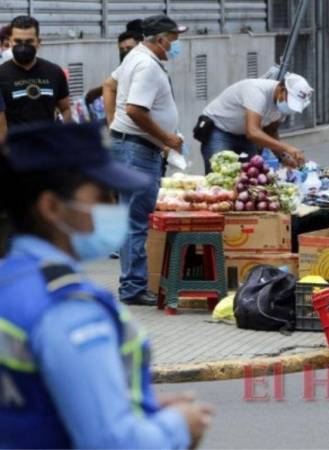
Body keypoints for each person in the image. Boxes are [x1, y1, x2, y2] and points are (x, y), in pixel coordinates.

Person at [0, 121, 213, 449]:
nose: (113, 206)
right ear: (51, 207)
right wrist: (178, 426)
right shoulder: (69, 309)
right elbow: (113, 442)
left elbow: (39, 402)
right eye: (101, 195)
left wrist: (142, 412)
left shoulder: (10, 281)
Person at [105, 15, 186, 306]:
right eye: (174, 41)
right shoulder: (146, 65)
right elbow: (137, 110)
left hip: (131, 148)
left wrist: (114, 122)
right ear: (160, 40)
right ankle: (133, 288)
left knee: (131, 219)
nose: (176, 46)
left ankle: (132, 285)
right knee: (135, 222)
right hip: (137, 152)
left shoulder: (135, 57)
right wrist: (167, 138)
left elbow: (108, 84)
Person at [200, 73, 312, 172]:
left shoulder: (282, 106)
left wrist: (283, 157)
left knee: (250, 175)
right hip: (219, 129)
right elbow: (252, 132)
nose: (289, 107)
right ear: (281, 89)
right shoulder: (256, 91)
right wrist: (287, 148)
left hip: (244, 135)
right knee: (220, 174)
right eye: (290, 101)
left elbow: (270, 131)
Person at [0, 16, 71, 128]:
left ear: (38, 42)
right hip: (15, 144)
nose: (23, 47)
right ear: (10, 42)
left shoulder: (54, 72)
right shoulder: (1, 75)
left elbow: (65, 108)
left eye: (29, 42)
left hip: (47, 143)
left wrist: (64, 135)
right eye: (18, 41)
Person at [85, 30, 144, 107]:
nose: (125, 52)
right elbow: (112, 83)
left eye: (129, 48)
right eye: (122, 50)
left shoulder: (145, 66)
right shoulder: (124, 67)